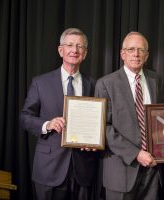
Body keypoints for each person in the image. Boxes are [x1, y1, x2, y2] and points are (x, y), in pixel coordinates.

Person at [20, 28, 100, 200]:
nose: (74, 50)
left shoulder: (95, 85)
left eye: (79, 46)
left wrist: (95, 141)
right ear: (60, 50)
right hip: (49, 168)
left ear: (85, 53)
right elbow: (25, 117)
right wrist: (47, 125)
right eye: (70, 45)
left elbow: (100, 122)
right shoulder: (41, 82)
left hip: (83, 169)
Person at [94, 31, 162, 200]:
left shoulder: (155, 80)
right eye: (131, 49)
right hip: (121, 170)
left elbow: (159, 118)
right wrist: (137, 154)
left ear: (147, 55)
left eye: (141, 50)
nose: (136, 54)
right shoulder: (106, 83)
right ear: (122, 54)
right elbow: (103, 126)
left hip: (152, 170)